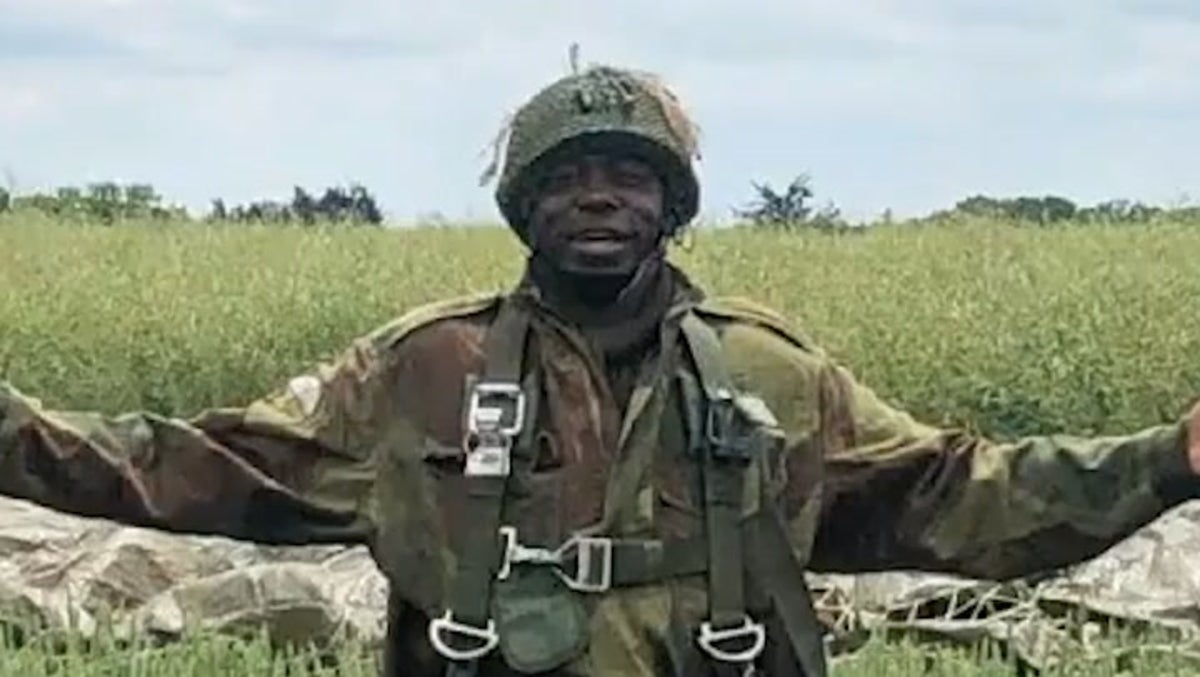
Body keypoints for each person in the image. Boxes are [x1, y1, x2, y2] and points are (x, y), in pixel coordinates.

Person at [1, 64, 1198, 677]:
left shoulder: (769, 371)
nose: (597, 198)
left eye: (628, 175)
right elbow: (185, 465)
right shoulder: (424, 367)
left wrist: (1172, 458)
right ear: (524, 205)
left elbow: (965, 494)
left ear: (670, 204)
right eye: (568, 178)